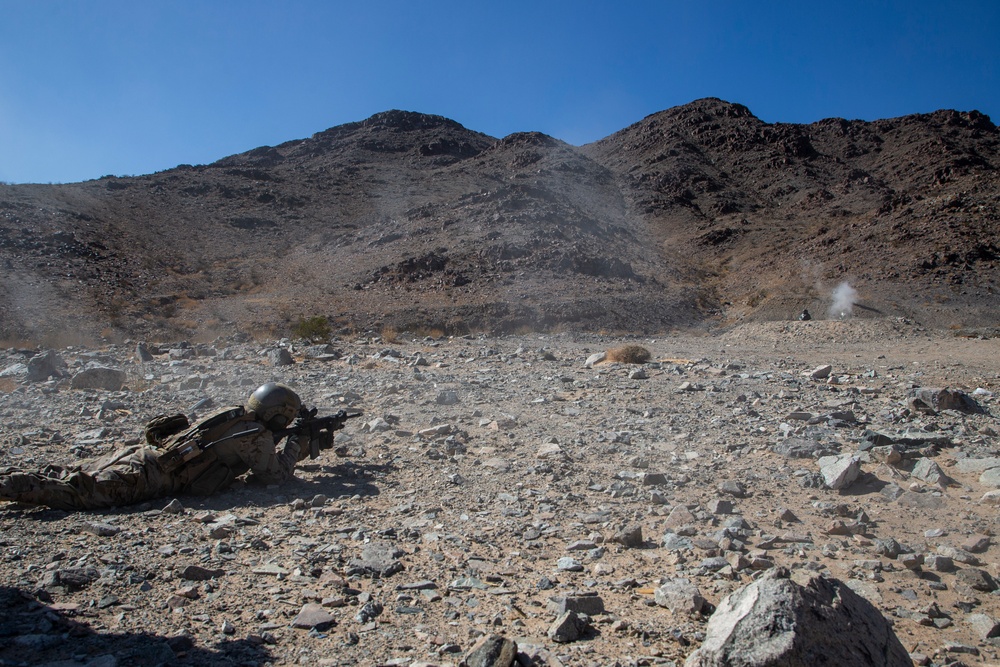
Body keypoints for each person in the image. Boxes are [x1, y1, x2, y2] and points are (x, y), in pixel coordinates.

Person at [0, 383, 346, 511]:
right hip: (154, 476)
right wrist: (297, 445)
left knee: (72, 476)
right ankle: (10, 485)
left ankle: (18, 479)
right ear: (275, 414)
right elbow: (274, 476)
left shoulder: (235, 417)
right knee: (81, 494)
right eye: (284, 419)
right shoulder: (254, 434)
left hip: (141, 455)